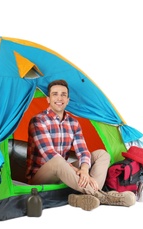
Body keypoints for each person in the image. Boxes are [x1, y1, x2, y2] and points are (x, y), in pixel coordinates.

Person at [26, 79, 136, 211]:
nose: (59, 98)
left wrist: (84, 170)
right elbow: (50, 154)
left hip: (65, 173)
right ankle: (104, 196)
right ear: (48, 99)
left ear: (67, 100)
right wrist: (77, 170)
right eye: (55, 94)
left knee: (102, 154)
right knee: (57, 161)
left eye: (63, 95)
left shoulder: (73, 123)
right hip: (41, 176)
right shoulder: (38, 121)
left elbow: (83, 151)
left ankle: (81, 197)